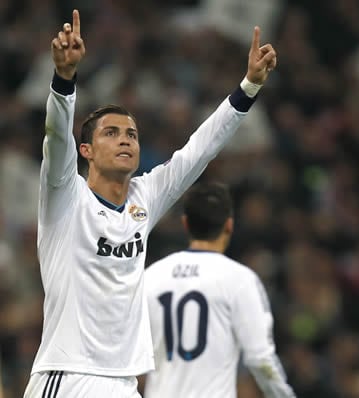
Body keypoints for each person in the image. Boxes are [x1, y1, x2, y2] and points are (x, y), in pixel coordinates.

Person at [23, 9, 277, 398]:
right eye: (112, 133)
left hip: (123, 381)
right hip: (68, 375)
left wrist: (247, 89)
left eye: (132, 134)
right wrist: (64, 80)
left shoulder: (145, 198)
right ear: (86, 150)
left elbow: (199, 151)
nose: (126, 140)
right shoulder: (64, 196)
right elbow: (56, 138)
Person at [141, 182, 295, 397]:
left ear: (186, 224)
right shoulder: (240, 280)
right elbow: (261, 360)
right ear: (229, 225)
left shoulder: (151, 277)